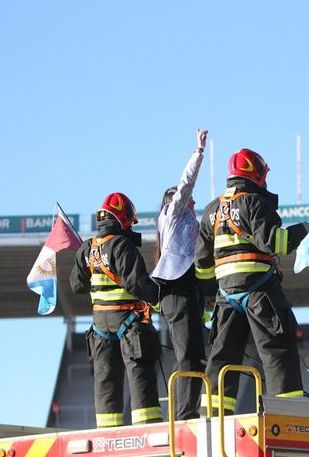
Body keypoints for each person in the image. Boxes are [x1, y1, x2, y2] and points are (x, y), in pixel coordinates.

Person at [194, 148, 309, 414]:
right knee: (277, 349)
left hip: (226, 297)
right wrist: (307, 230)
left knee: (223, 357)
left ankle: (215, 417)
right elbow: (276, 242)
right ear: (257, 174)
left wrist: (208, 300)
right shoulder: (254, 203)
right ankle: (289, 410)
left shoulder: (212, 211)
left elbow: (202, 266)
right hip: (259, 292)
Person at [71, 192, 163, 427]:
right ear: (122, 220)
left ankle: (107, 432)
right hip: (129, 323)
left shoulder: (87, 249)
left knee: (106, 382)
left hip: (100, 327)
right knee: (140, 375)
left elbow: (76, 285)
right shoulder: (122, 245)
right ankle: (148, 427)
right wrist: (160, 300)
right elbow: (137, 283)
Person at [151, 129, 209, 420]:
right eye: (190, 199)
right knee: (188, 355)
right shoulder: (172, 215)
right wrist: (198, 152)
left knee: (195, 356)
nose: (194, 202)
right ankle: (185, 413)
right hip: (177, 292)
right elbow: (186, 183)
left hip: (188, 293)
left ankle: (187, 410)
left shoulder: (189, 224)